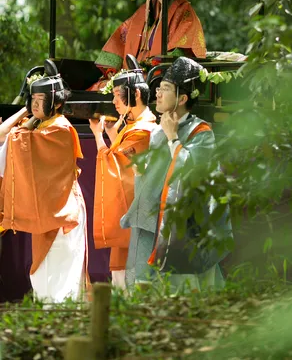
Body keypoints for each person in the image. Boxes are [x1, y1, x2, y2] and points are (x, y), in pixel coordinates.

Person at [121, 56, 230, 291]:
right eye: (158, 88)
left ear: (182, 98)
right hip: (155, 224)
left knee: (187, 295)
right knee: (149, 292)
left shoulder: (202, 132)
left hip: (184, 231)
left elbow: (190, 175)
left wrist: (173, 138)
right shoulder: (159, 131)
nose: (158, 93)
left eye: (166, 89)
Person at [0, 62, 86, 302]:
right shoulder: (40, 127)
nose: (35, 104)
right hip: (49, 209)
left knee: (61, 271)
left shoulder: (59, 129)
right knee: (44, 270)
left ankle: (62, 325)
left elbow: (12, 137)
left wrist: (25, 118)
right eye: (32, 99)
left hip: (63, 209)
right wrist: (27, 112)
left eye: (40, 99)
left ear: (57, 103)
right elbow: (5, 136)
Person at [89, 56, 156, 288]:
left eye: (118, 95)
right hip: (130, 203)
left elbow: (116, 164)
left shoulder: (144, 129)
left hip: (138, 205)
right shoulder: (134, 126)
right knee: (122, 272)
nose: (114, 101)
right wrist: (109, 133)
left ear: (136, 94)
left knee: (133, 276)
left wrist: (98, 136)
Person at [90, 0, 206, 90]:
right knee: (100, 87)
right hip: (135, 71)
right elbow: (122, 35)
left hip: (159, 73)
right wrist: (112, 67)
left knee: (125, 86)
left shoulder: (184, 11)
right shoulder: (145, 10)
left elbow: (184, 48)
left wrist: (153, 63)